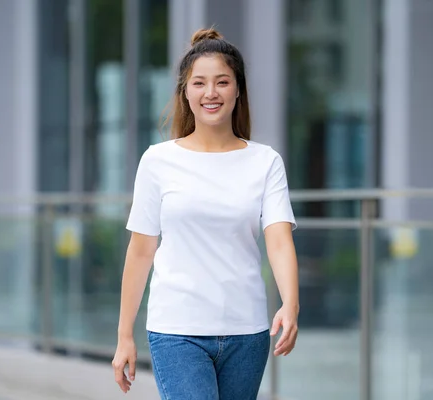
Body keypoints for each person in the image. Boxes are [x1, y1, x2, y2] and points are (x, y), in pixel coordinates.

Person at [111, 27, 299, 399]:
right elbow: (141, 251)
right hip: (177, 331)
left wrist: (290, 304)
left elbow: (279, 242)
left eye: (222, 82)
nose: (210, 93)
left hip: (247, 332)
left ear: (238, 89)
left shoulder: (265, 162)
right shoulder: (158, 161)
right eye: (199, 83)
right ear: (185, 91)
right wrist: (123, 336)